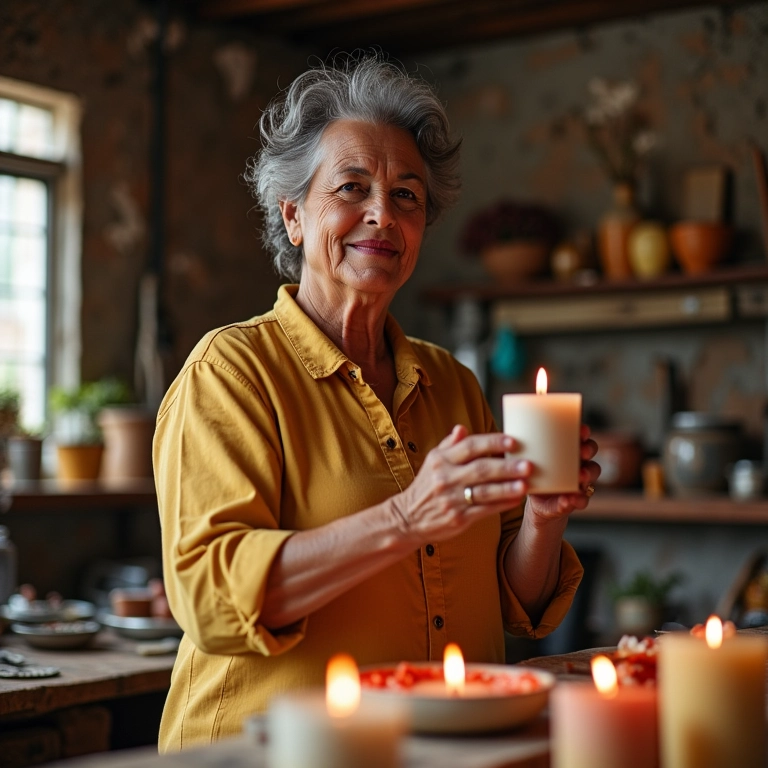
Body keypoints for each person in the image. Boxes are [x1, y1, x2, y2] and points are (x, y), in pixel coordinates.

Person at [153, 53, 600, 752]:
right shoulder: (232, 372)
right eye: (352, 188)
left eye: (407, 196)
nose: (381, 216)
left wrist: (543, 517)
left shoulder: (452, 383)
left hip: (442, 751)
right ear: (294, 215)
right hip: (268, 755)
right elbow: (212, 597)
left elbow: (514, 600)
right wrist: (404, 516)